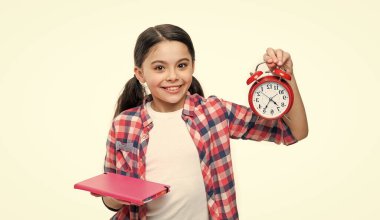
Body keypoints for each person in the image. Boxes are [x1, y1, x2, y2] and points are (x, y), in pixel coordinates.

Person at [96, 24, 308, 220]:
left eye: (181, 65)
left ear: (193, 66)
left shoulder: (215, 113)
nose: (172, 76)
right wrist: (120, 196)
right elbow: (110, 200)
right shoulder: (124, 124)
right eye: (159, 68)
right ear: (140, 73)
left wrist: (287, 77)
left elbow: (293, 131)